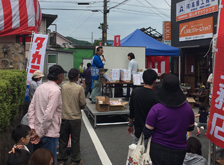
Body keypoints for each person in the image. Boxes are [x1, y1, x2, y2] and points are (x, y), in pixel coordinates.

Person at [143, 74, 195, 165]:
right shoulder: (187, 108)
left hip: (158, 147)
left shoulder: (156, 109)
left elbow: (147, 132)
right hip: (179, 148)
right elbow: (190, 128)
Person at [27, 64, 67, 165]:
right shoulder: (56, 90)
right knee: (49, 161)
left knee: (38, 161)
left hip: (36, 132)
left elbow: (31, 108)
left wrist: (32, 128)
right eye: (62, 75)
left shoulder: (40, 88)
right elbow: (48, 115)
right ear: (60, 76)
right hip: (49, 134)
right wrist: (40, 134)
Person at [58, 68, 86, 165]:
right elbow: (83, 103)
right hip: (75, 118)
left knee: (63, 139)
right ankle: (75, 160)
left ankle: (61, 159)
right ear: (77, 77)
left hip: (64, 117)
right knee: (75, 139)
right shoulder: (79, 88)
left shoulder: (63, 87)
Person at [127, 69, 158, 143]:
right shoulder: (156, 96)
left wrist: (130, 125)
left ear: (143, 80)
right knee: (149, 153)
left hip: (138, 131)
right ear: (155, 81)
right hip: (152, 132)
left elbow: (131, 110)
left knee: (136, 151)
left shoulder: (135, 92)